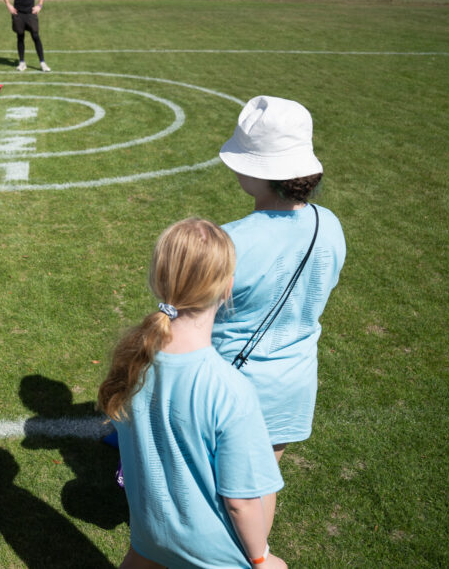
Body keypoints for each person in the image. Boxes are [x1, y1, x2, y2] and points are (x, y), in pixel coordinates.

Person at [98, 218, 285, 569]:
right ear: (228, 287)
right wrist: (262, 558)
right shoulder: (230, 390)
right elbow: (240, 502)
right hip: (213, 554)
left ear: (157, 280)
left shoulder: (131, 362)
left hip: (149, 535)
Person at [213, 95, 346, 532]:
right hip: (293, 384)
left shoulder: (228, 242)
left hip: (228, 389)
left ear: (259, 171)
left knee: (213, 502)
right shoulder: (330, 224)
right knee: (261, 488)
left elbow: (189, 322)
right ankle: (257, 555)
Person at [2, 0, 50, 72]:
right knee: (20, 36)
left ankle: (42, 63)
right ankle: (22, 62)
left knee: (35, 36)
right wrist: (8, 5)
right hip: (18, 12)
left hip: (30, 12)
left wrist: (39, 5)